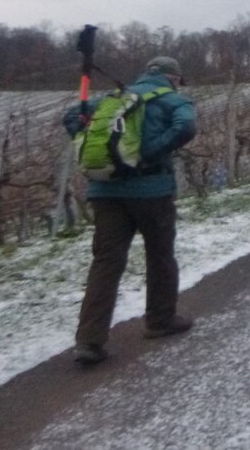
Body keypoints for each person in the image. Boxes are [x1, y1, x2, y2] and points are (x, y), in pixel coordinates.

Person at [62, 56, 197, 365]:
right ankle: (160, 320)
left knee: (106, 262)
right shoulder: (173, 100)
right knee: (160, 255)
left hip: (105, 191)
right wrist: (148, 151)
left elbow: (71, 117)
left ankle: (89, 341)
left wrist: (96, 147)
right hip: (152, 190)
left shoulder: (111, 99)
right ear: (174, 78)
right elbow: (186, 126)